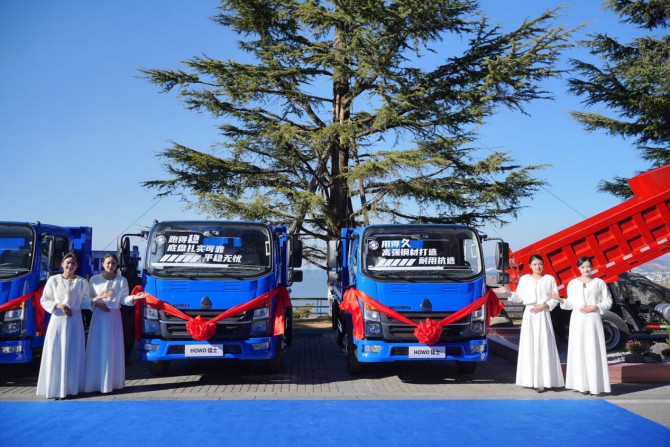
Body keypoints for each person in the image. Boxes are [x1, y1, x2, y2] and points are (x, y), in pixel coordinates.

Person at [36, 252, 111, 399]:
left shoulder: (82, 282)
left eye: (73, 263)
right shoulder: (53, 280)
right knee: (57, 353)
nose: (70, 265)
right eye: (68, 263)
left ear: (77, 266)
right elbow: (45, 300)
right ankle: (55, 389)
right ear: (62, 264)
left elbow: (84, 301)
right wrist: (59, 305)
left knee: (73, 353)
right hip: (58, 322)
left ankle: (71, 388)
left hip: (75, 323)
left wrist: (96, 300)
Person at [494, 254, 564, 392]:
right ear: (530, 266)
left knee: (544, 345)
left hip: (543, 314)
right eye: (535, 264)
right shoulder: (525, 279)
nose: (538, 267)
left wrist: (544, 306)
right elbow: (519, 297)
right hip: (530, 315)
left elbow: (555, 298)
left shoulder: (549, 279)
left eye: (540, 264)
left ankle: (543, 381)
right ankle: (530, 379)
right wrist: (508, 293)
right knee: (530, 345)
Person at [551, 256, 613, 396]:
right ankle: (581, 385)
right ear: (578, 268)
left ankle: (594, 385)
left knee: (593, 350)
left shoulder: (600, 283)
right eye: (583, 267)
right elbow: (570, 304)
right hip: (578, 320)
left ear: (592, 267)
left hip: (593, 319)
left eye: (588, 266)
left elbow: (608, 302)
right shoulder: (572, 283)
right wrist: (560, 299)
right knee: (579, 350)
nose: (586, 269)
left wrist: (595, 307)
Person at [84, 253, 145, 394]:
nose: (110, 265)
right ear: (103, 264)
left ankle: (112, 383)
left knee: (112, 348)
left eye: (113, 263)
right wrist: (98, 304)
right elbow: (88, 299)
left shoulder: (121, 280)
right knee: (97, 347)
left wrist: (134, 297)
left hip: (114, 318)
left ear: (116, 265)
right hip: (99, 318)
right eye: (108, 263)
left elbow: (123, 298)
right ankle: (94, 383)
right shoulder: (94, 280)